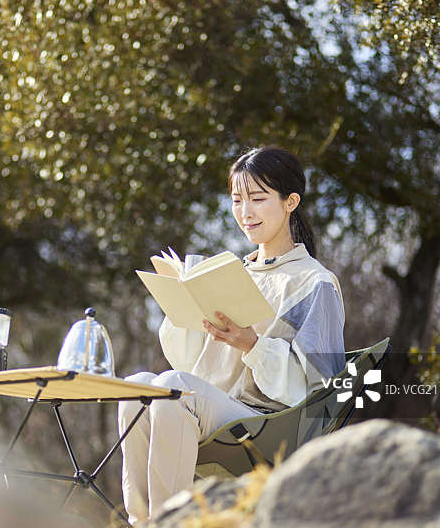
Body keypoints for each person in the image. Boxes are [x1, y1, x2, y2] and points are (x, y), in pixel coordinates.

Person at [117, 146, 346, 525]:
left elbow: (321, 386)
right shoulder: (233, 273)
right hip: (216, 406)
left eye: (257, 198)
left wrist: (252, 346)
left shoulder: (313, 282)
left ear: (290, 202)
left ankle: (170, 522)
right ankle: (141, 521)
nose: (245, 212)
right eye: (238, 200)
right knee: (138, 388)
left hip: (269, 422)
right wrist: (183, 307)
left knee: (172, 388)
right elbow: (190, 364)